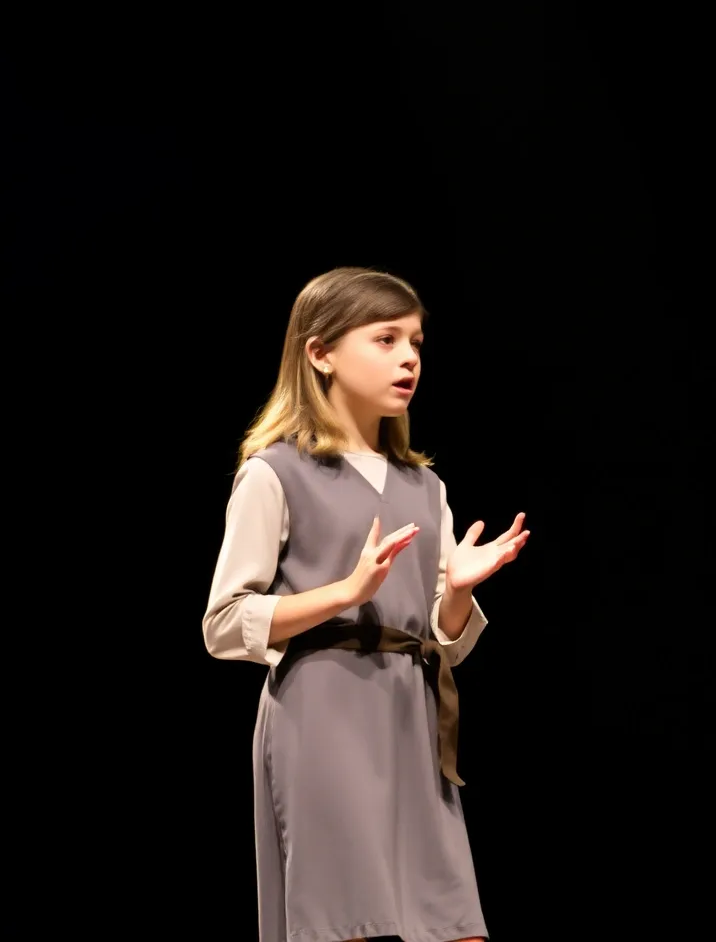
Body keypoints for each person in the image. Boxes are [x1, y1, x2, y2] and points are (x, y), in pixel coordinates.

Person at [202, 267, 528, 942]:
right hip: (324, 716)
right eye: (385, 339)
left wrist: (458, 591)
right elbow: (224, 623)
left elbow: (442, 639)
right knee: (350, 923)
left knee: (452, 925)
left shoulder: (425, 486)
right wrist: (344, 594)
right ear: (320, 353)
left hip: (412, 719)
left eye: (415, 342)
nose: (409, 358)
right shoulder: (274, 472)